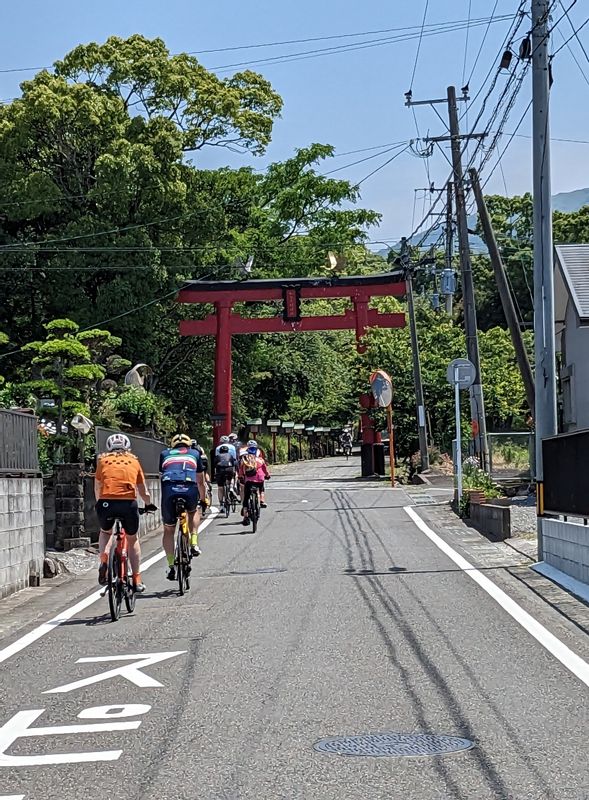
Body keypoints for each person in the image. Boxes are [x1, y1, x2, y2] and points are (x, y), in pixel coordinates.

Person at [95, 433, 152, 593]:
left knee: (106, 532)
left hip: (106, 503)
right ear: (128, 448)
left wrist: (99, 504)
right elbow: (143, 490)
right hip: (128, 503)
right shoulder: (134, 461)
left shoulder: (102, 461)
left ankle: (105, 558)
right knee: (132, 539)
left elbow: (97, 487)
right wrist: (148, 504)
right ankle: (136, 578)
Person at [160, 434, 206, 581]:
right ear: (188, 445)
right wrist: (203, 499)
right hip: (189, 488)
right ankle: (193, 542)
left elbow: (162, 475)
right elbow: (200, 481)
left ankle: (171, 565)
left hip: (169, 490)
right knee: (193, 511)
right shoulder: (195, 453)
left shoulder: (164, 454)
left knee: (168, 529)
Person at [238, 440, 270, 525]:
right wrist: (267, 475)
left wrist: (240, 477)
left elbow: (241, 471)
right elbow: (265, 470)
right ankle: (262, 500)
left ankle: (245, 516)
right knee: (261, 489)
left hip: (248, 481)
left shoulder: (245, 460)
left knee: (246, 499)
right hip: (259, 479)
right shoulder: (260, 460)